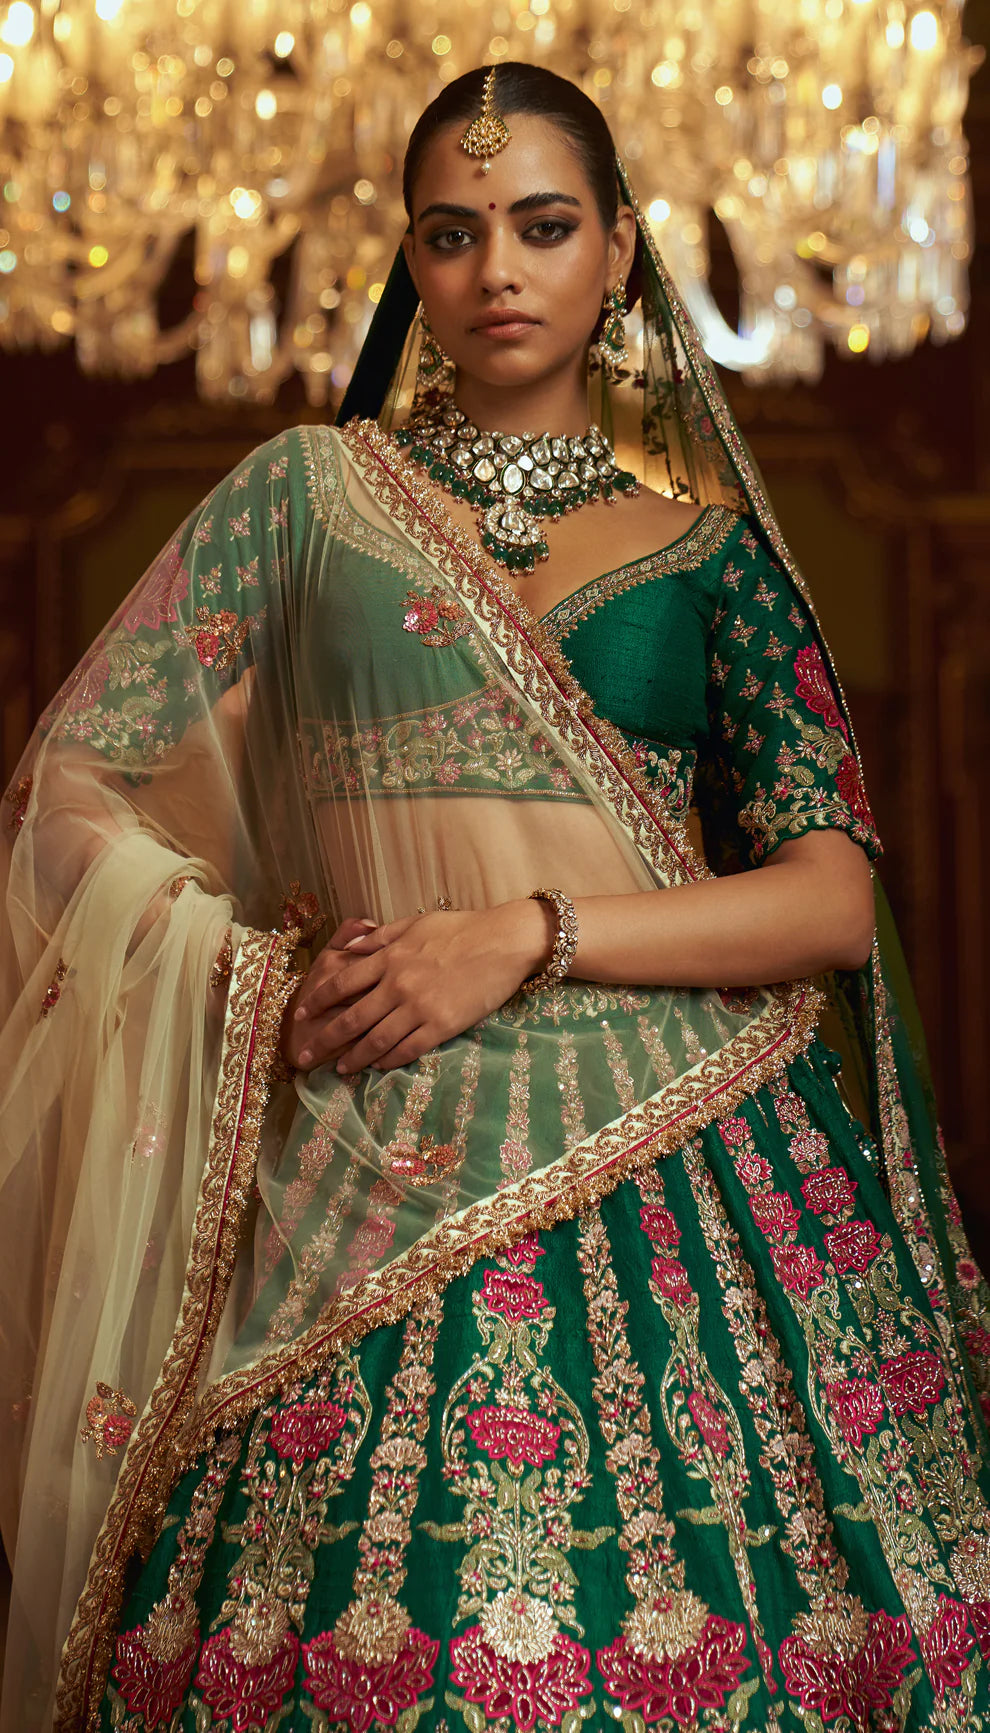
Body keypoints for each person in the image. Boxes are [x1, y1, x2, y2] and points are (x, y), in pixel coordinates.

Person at [2, 59, 990, 1733]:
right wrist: (250, 978)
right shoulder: (306, 501)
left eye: (542, 226)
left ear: (618, 248)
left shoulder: (710, 553)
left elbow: (827, 899)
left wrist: (520, 935)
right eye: (450, 235)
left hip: (697, 1145)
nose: (497, 271)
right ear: (409, 260)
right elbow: (68, 793)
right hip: (363, 1133)